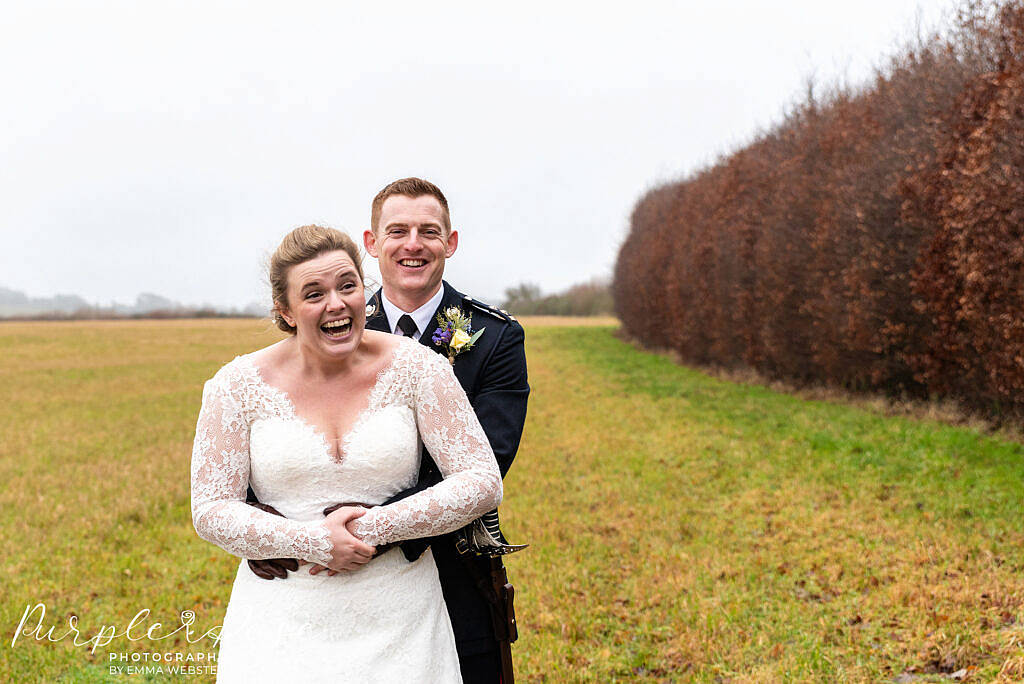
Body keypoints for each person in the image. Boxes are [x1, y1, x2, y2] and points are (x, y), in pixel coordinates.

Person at [190, 224, 502, 682]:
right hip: (281, 621)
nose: (335, 303)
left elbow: (480, 480)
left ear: (365, 291)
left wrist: (370, 529)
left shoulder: (418, 367)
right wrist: (313, 542)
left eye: (347, 286)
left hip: (401, 616)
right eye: (313, 294)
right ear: (286, 310)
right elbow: (211, 509)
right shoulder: (235, 386)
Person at [249, 178, 530, 683]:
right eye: (397, 230)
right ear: (373, 243)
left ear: (451, 242)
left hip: (451, 557)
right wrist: (264, 521)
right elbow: (275, 417)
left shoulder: (495, 337)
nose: (413, 244)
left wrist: (366, 529)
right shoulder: (332, 314)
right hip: (309, 567)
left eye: (429, 231)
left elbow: (489, 456)